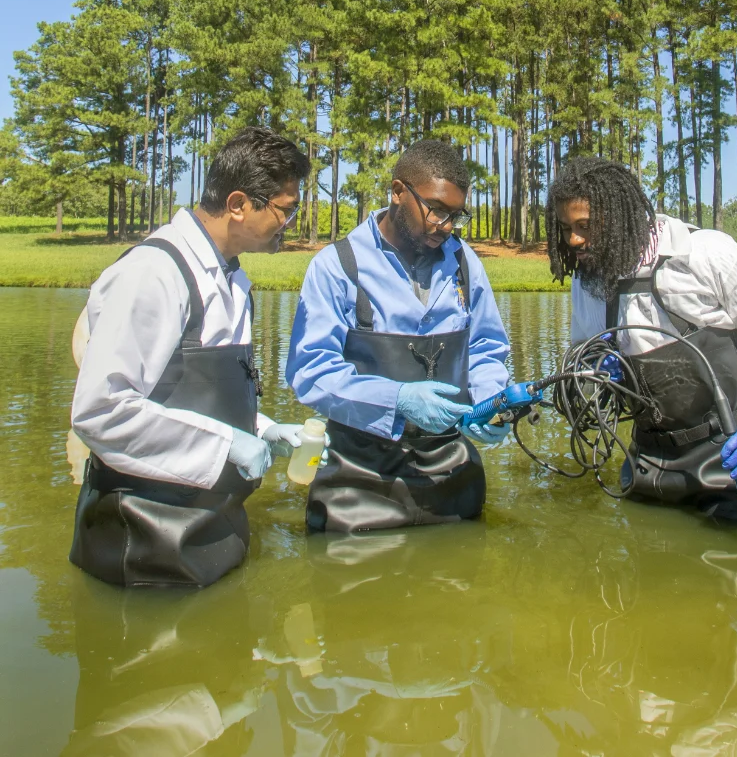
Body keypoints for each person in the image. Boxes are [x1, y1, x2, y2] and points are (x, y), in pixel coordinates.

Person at [70, 126, 310, 587]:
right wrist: (228, 445)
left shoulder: (232, 280)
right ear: (239, 205)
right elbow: (101, 411)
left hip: (210, 528)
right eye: (286, 209)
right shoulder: (153, 274)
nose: (290, 222)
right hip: (144, 542)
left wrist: (263, 429)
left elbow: (190, 394)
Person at [546, 157, 737, 518]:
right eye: (566, 228)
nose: (574, 239)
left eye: (586, 225)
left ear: (621, 218)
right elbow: (584, 351)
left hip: (736, 460)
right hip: (648, 466)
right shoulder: (588, 280)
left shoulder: (705, 253)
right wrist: (593, 369)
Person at [286, 139, 510, 533]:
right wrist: (398, 401)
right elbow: (311, 373)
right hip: (358, 482)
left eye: (457, 215)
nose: (447, 227)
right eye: (437, 210)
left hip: (452, 480)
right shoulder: (337, 267)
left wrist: (491, 401)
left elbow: (485, 349)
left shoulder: (464, 262)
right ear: (397, 192)